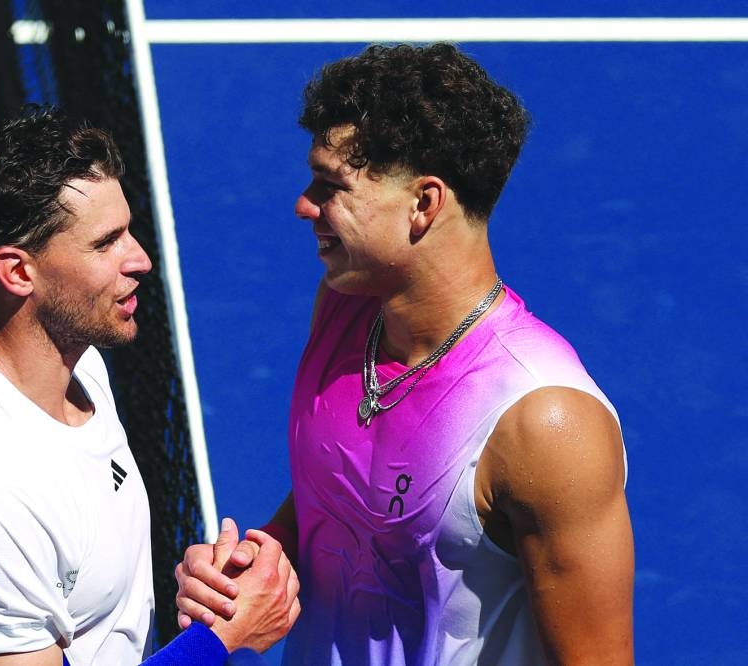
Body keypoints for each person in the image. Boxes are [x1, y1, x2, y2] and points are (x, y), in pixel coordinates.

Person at [175, 43, 634, 665]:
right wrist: (263, 559)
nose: (303, 205)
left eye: (330, 187)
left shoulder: (544, 424)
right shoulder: (344, 309)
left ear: (424, 204)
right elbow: (338, 500)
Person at [0, 104, 299, 665]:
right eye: (105, 243)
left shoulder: (80, 365)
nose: (141, 260)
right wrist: (221, 640)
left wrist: (206, 591)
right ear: (17, 272)